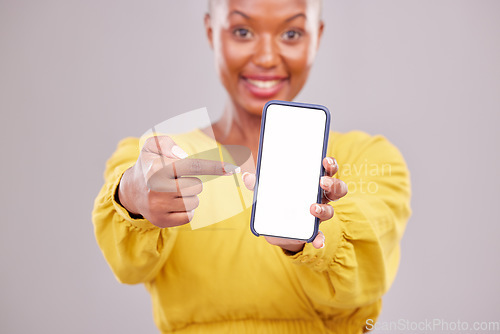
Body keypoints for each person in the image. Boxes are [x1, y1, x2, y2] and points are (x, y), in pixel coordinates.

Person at [92, 0, 412, 333]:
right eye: (243, 31)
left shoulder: (369, 158)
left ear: (316, 37)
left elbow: (365, 277)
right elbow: (128, 266)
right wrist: (131, 195)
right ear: (211, 32)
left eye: (291, 33)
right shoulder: (157, 155)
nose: (266, 57)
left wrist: (306, 237)